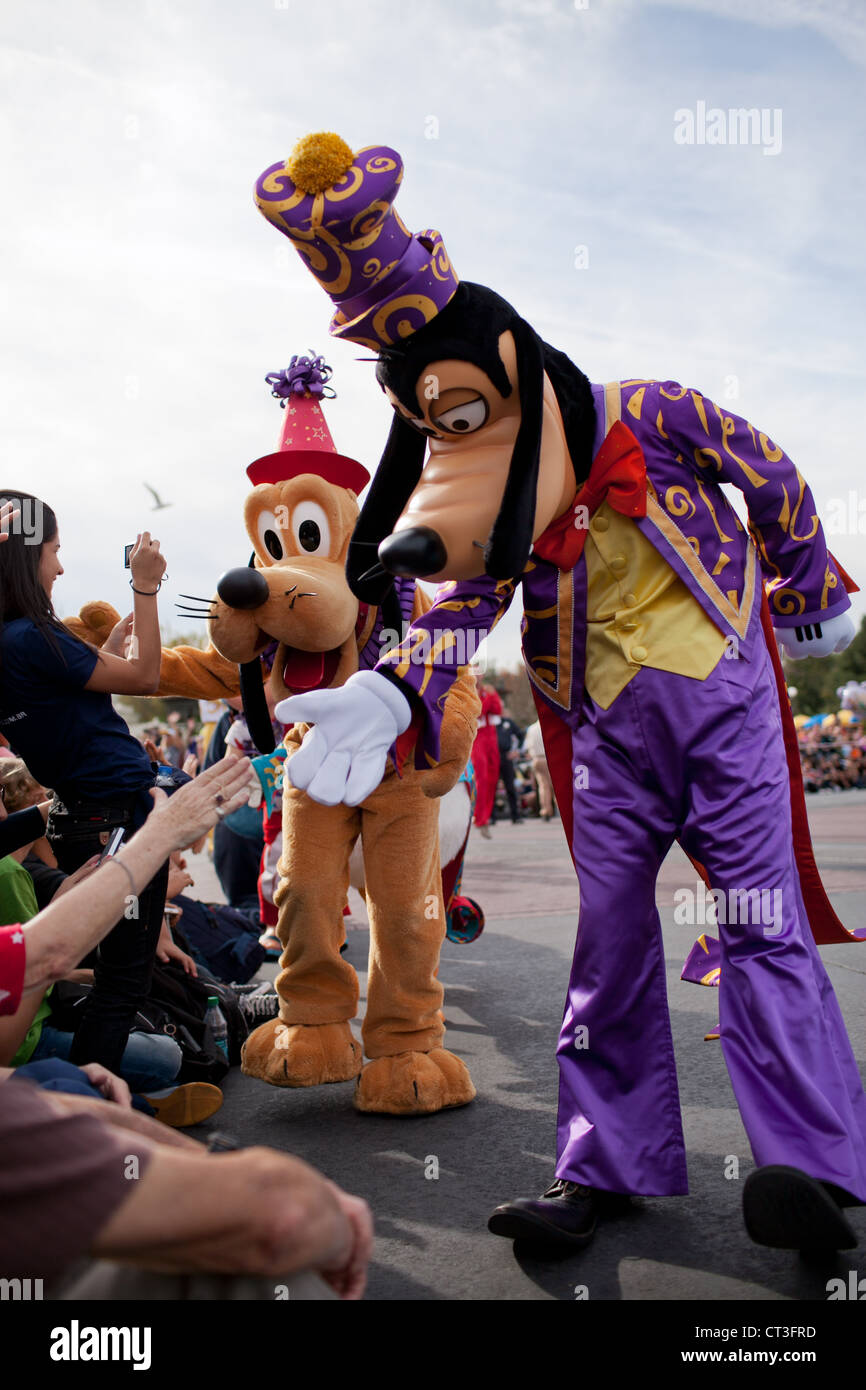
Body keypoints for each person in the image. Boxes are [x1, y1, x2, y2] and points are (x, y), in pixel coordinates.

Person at [0, 495, 176, 1075]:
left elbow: (56, 705)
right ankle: (88, 1112)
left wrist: (101, 651)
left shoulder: (13, 643)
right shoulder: (31, 635)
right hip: (119, 811)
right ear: (26, 558)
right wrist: (144, 588)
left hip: (83, 816)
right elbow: (147, 675)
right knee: (124, 978)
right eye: (54, 551)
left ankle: (85, 1103)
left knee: (114, 972)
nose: (60, 567)